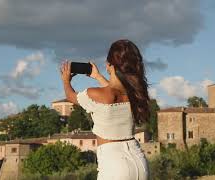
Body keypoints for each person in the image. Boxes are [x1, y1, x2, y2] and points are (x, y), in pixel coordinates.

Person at [59, 39, 150, 180]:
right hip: (139, 161)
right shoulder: (134, 95)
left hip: (114, 163)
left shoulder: (96, 94)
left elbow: (71, 96)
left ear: (110, 65)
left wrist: (66, 80)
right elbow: (114, 92)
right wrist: (97, 76)